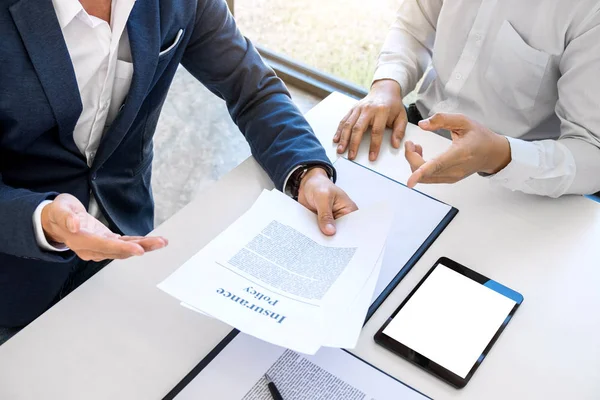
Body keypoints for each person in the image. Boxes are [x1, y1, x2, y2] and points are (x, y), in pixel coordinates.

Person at [0, 0, 357, 330]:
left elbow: (251, 87)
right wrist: (43, 219)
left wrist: (306, 172)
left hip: (128, 246)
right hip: (11, 267)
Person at [335, 0, 600, 197]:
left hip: (519, 180)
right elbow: (414, 26)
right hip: (419, 133)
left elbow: (592, 151)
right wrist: (387, 84)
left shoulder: (590, 11)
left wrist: (499, 155)